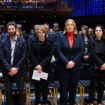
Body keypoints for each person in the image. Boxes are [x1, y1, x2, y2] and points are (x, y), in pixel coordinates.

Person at [57, 19, 83, 105]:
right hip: (64, 67)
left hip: (76, 67)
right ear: (65, 26)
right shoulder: (61, 36)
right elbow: (59, 51)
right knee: (63, 89)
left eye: (71, 24)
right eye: (68, 24)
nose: (69, 26)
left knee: (73, 89)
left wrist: (73, 62)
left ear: (74, 26)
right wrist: (66, 62)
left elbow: (81, 51)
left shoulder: (79, 37)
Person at [0, 22, 27, 105]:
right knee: (8, 92)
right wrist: (9, 68)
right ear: (7, 30)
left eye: (12, 29)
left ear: (15, 29)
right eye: (9, 29)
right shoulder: (3, 41)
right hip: (7, 71)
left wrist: (16, 68)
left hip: (19, 71)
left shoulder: (23, 41)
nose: (11, 30)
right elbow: (1, 56)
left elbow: (24, 56)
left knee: (22, 92)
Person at [28, 25, 53, 105]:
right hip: (36, 67)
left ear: (45, 33)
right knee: (37, 87)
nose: (41, 33)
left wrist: (41, 65)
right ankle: (37, 102)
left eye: (42, 32)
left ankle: (45, 102)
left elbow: (50, 55)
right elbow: (31, 54)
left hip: (46, 67)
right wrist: (38, 65)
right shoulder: (32, 41)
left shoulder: (50, 41)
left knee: (45, 87)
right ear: (37, 33)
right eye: (39, 32)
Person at [89, 25, 105, 105]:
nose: (98, 32)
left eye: (100, 30)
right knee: (93, 85)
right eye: (96, 30)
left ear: (102, 32)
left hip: (103, 67)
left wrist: (104, 64)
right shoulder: (91, 41)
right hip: (94, 66)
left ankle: (99, 101)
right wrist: (102, 63)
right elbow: (93, 54)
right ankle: (91, 101)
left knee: (101, 85)